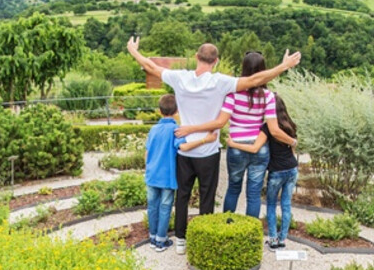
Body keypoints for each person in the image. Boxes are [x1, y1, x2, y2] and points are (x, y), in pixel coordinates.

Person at [127, 36, 301, 254]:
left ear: (196, 57)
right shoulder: (221, 82)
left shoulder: (180, 78)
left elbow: (151, 66)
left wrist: (134, 51)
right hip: (209, 150)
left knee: (183, 196)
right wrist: (283, 66)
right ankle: (208, 238)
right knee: (209, 197)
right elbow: (255, 80)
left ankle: (180, 240)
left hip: (185, 149)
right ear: (216, 61)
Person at [175, 51, 297, 219]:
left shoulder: (232, 94)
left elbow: (221, 121)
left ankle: (229, 226)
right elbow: (274, 129)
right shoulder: (268, 96)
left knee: (233, 188)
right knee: (254, 193)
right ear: (263, 69)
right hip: (259, 147)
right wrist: (293, 141)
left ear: (244, 69)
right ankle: (250, 231)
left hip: (236, 145)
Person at [144, 94, 216, 251]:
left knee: (152, 206)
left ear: (159, 111)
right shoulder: (176, 130)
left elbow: (147, 153)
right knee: (165, 207)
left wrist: (147, 169)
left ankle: (152, 237)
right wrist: (206, 140)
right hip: (167, 176)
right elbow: (184, 147)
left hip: (151, 175)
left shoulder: (153, 129)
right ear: (177, 111)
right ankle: (161, 240)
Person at [227, 95, 299, 249]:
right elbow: (292, 149)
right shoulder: (290, 126)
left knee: (270, 204)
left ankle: (272, 239)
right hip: (292, 169)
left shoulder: (268, 128)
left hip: (276, 172)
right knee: (285, 204)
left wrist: (233, 143)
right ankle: (281, 240)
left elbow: (254, 148)